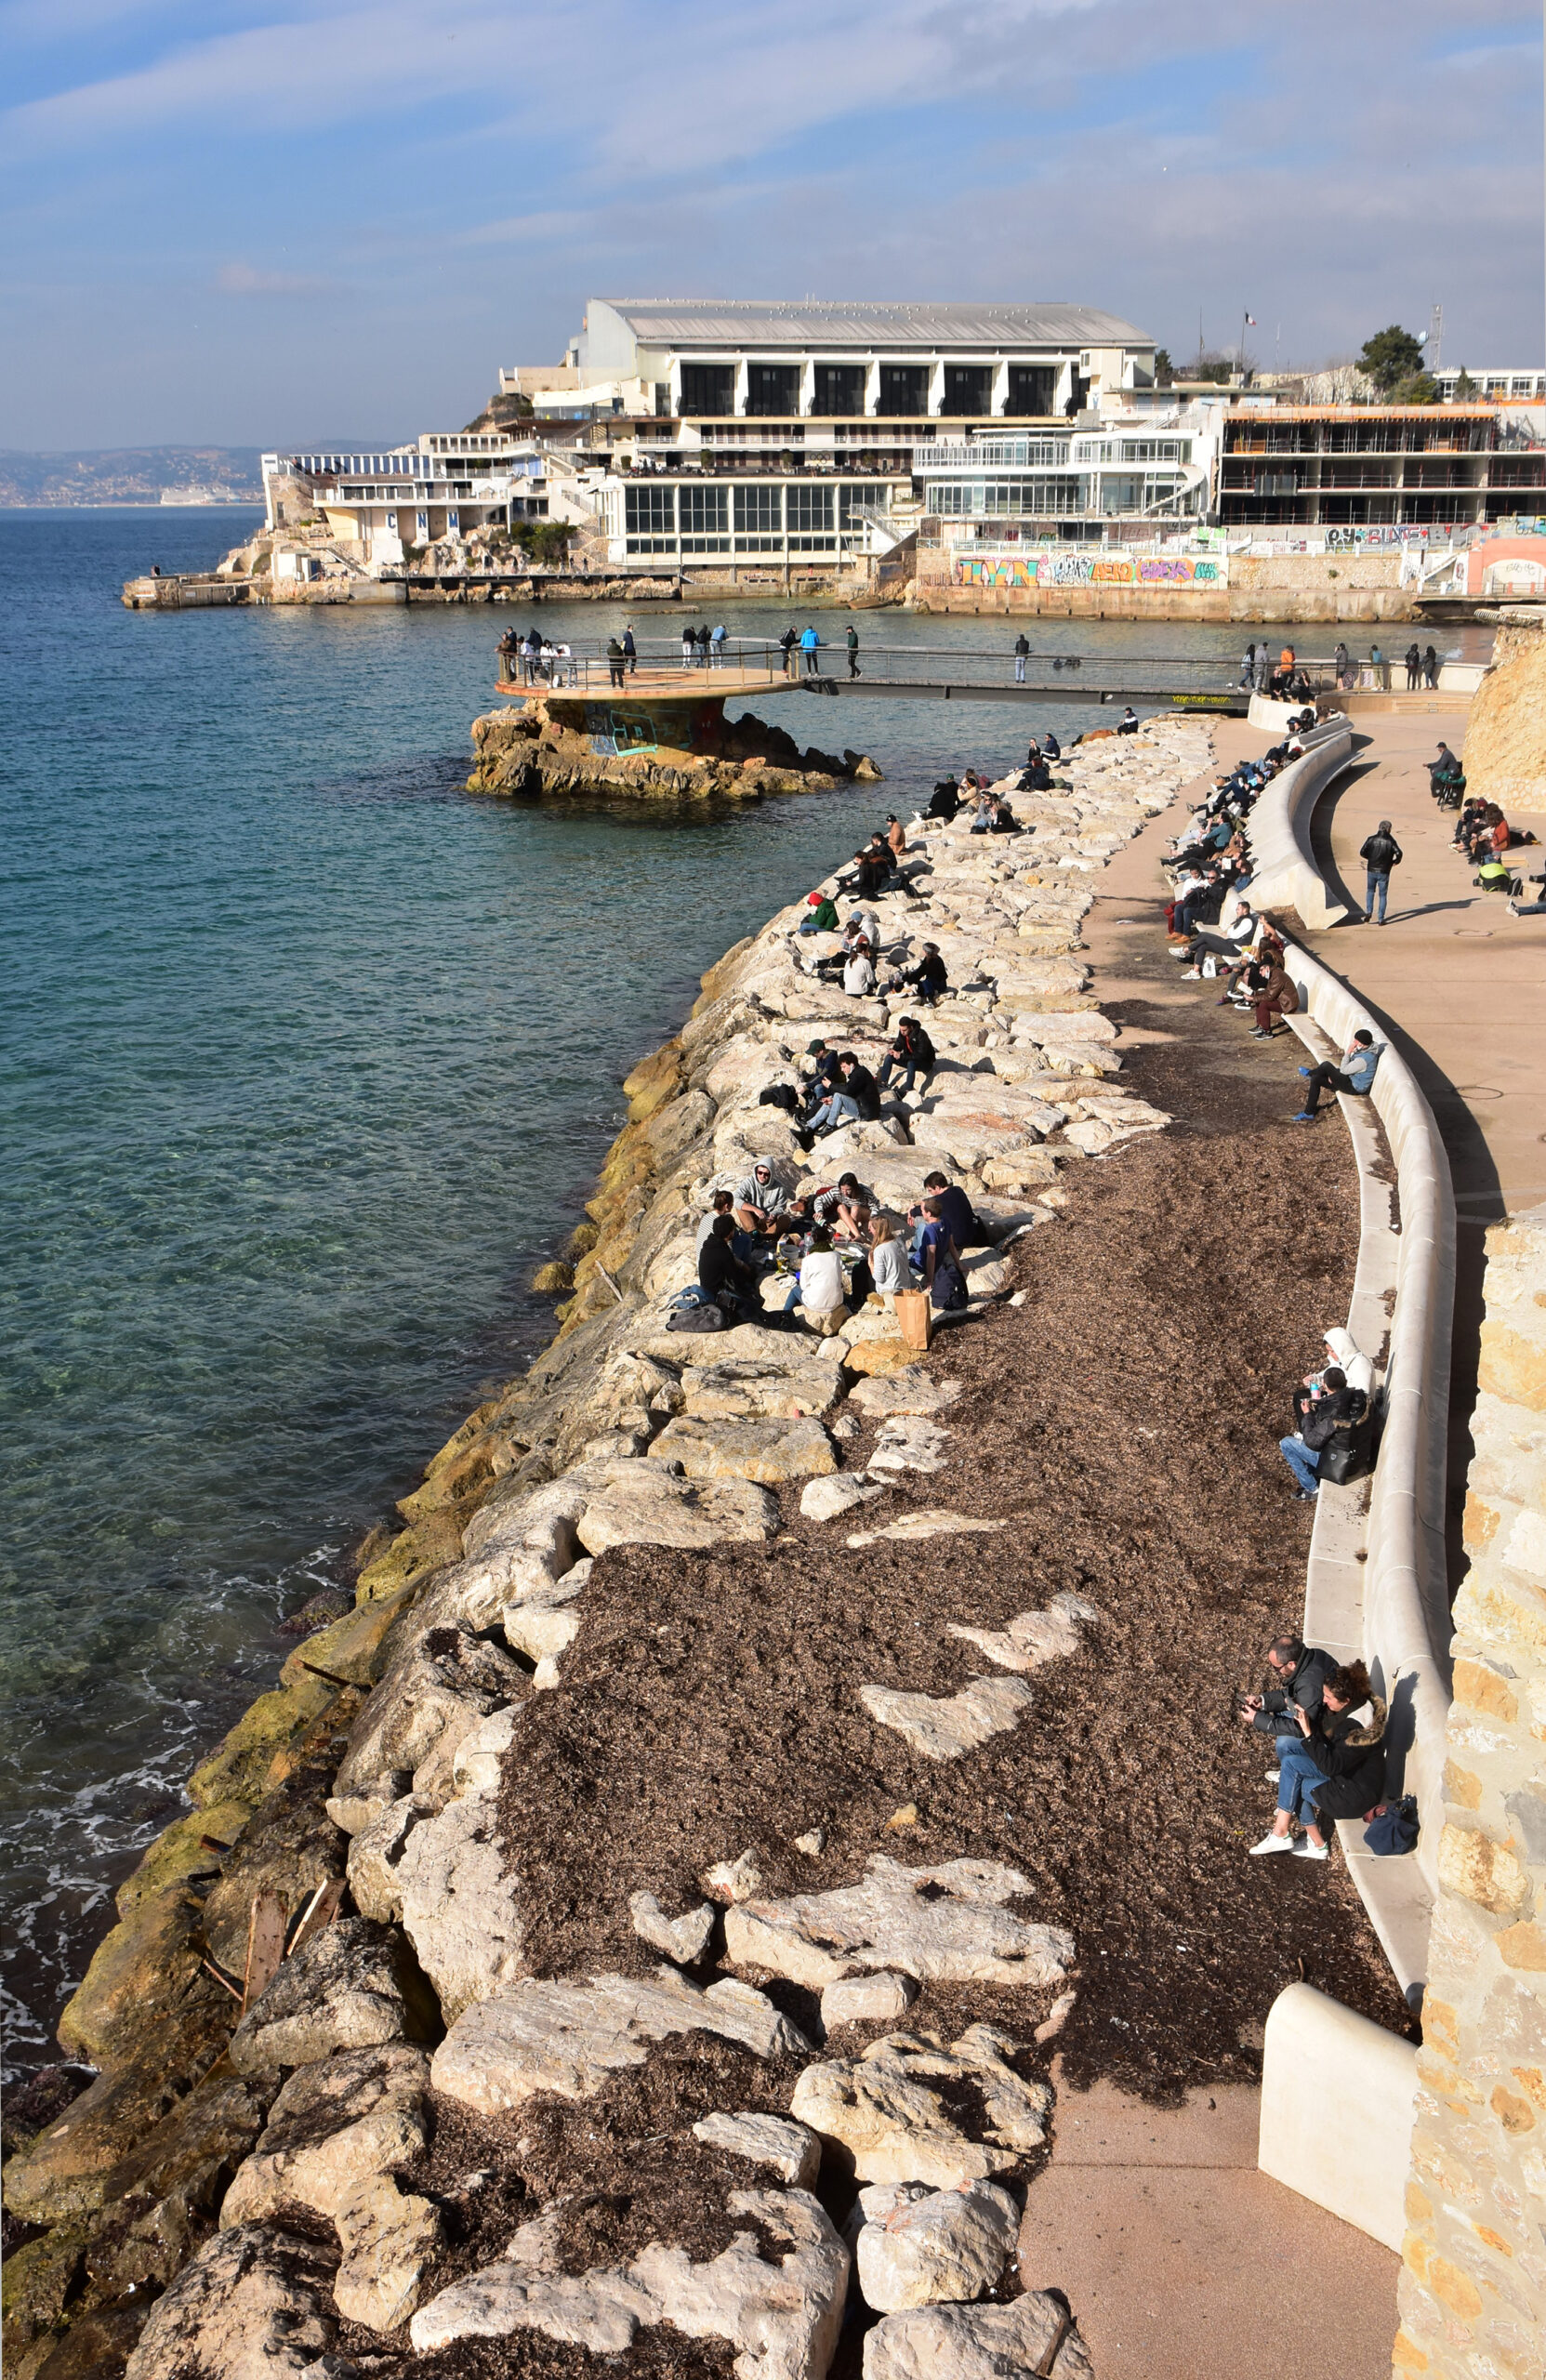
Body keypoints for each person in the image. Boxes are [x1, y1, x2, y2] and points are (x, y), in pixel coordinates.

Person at [1249, 1659, 1387, 1860]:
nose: (1324, 1701)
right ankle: (1282, 1829)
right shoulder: (1354, 1706)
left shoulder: (1356, 1730)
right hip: (1345, 1773)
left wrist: (1307, 1731)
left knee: (1293, 1785)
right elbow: (1333, 1750)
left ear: (1346, 1700)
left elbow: (1330, 1766)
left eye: (1328, 1697)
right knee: (1289, 1763)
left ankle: (1315, 1844)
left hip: (1353, 1795)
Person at [1238, 1635, 1336, 1775]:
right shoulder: (1313, 1656)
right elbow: (1290, 1694)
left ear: (1291, 1664)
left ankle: (1291, 1772)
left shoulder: (1310, 1686)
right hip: (1322, 1714)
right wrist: (1262, 1700)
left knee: (1284, 1744)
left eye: (1276, 1668)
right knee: (1279, 1713)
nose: (1276, 1672)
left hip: (1328, 1733)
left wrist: (1257, 1719)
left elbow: (1301, 1728)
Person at [1279, 1365, 1362, 1499]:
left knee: (1286, 1443)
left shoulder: (1332, 1412)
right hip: (1356, 1455)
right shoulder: (1356, 1397)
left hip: (1337, 1462)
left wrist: (1307, 1415)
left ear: (1325, 1386)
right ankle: (1314, 1474)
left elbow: (1312, 1443)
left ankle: (1312, 1488)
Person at [1291, 1027, 1383, 1122]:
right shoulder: (1365, 1051)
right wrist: (1334, 1076)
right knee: (1316, 1079)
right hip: (1349, 1079)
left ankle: (1310, 1073)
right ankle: (1308, 1113)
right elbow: (1349, 1070)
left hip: (1353, 1087)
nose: (1353, 1043)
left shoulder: (1364, 1059)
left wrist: (1348, 1052)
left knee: (1326, 1065)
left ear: (1362, 1044)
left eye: (1356, 1041)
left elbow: (1344, 1070)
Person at [699, 1213, 759, 1322]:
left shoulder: (709, 1243)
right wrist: (750, 1272)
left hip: (706, 1287)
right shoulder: (723, 1252)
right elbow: (735, 1278)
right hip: (716, 1293)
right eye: (733, 1229)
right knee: (751, 1303)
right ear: (729, 1233)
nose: (734, 1231)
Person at [796, 1227, 848, 1335]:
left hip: (816, 1304)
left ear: (813, 1239)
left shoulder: (808, 1259)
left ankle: (784, 1314)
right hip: (837, 1302)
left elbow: (803, 1286)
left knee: (794, 1290)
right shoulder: (836, 1256)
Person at [877, 1015, 935, 1102]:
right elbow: (899, 1044)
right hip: (909, 1058)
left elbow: (921, 1055)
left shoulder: (921, 1034)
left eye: (904, 1030)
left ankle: (908, 1089)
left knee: (911, 1063)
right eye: (900, 1030)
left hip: (925, 1062)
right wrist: (894, 1050)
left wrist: (902, 1056)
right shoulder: (902, 1032)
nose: (902, 1032)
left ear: (911, 1027)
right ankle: (883, 1082)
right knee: (889, 1057)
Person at [1359, 819, 1403, 924]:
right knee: (1382, 895)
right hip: (1384, 871)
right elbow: (1399, 853)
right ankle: (1381, 918)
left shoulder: (1371, 839)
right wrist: (1394, 862)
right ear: (1389, 829)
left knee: (1370, 891)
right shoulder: (1391, 841)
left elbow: (1362, 852)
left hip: (1371, 869)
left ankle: (1369, 911)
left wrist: (1370, 858)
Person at [733, 1163, 786, 1242]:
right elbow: (735, 1199)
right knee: (740, 1207)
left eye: (766, 1174)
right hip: (752, 1220)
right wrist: (755, 1209)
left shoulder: (780, 1188)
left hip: (768, 1221)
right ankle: (755, 1234)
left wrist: (774, 1214)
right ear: (756, 1171)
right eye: (760, 1173)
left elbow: (781, 1207)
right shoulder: (749, 1182)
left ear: (771, 1174)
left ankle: (763, 1238)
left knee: (786, 1219)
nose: (762, 1176)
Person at [1249, 955, 1298, 1038]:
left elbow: (1270, 996)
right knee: (1259, 999)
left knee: (1264, 1004)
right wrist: (1255, 993)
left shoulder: (1277, 976)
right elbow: (1269, 991)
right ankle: (1260, 1025)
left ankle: (1267, 1031)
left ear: (1267, 968)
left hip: (1287, 1004)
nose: (1260, 973)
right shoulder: (1273, 973)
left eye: (1261, 970)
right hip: (1282, 1000)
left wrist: (1253, 998)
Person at [886, 942, 947, 1006]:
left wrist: (905, 980)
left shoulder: (934, 961)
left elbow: (920, 973)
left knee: (925, 982)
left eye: (923, 950)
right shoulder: (929, 958)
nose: (922, 951)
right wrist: (907, 978)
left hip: (939, 985)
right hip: (934, 983)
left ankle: (930, 1001)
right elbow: (919, 971)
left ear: (927, 952)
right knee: (918, 985)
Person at [867, 1210, 909, 1302]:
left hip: (890, 1292)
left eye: (871, 1228)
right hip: (905, 1287)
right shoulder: (899, 1241)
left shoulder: (880, 1250)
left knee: (864, 1272)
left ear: (877, 1230)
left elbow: (879, 1278)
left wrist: (870, 1265)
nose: (869, 1230)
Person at [695, 1188, 736, 1253]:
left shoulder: (706, 1216)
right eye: (732, 1203)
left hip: (702, 1257)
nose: (733, 1205)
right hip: (716, 1258)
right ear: (726, 1206)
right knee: (744, 1239)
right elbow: (727, 1246)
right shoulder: (722, 1223)